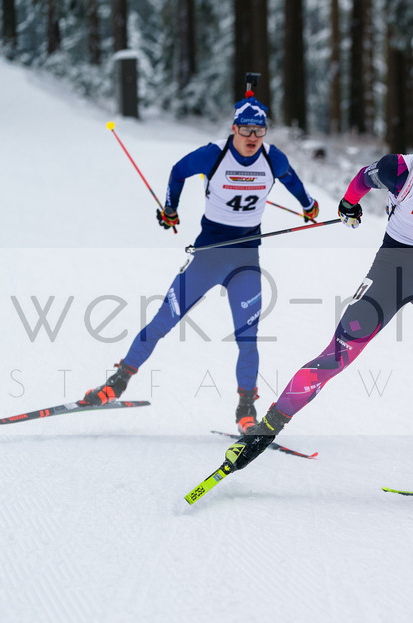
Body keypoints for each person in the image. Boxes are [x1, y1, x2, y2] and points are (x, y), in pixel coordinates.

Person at [215, 110, 413, 496]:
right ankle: (261, 433)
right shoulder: (400, 169)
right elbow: (363, 179)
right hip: (393, 270)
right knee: (336, 355)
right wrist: (349, 205)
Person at [82, 92, 319, 434]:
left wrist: (309, 206)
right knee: (164, 320)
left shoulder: (273, 159)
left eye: (259, 131)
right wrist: (171, 208)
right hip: (207, 258)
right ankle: (115, 384)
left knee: (248, 338)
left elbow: (293, 181)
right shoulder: (213, 155)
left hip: (245, 263)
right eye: (246, 130)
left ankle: (246, 410)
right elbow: (178, 172)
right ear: (234, 128)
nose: (252, 138)